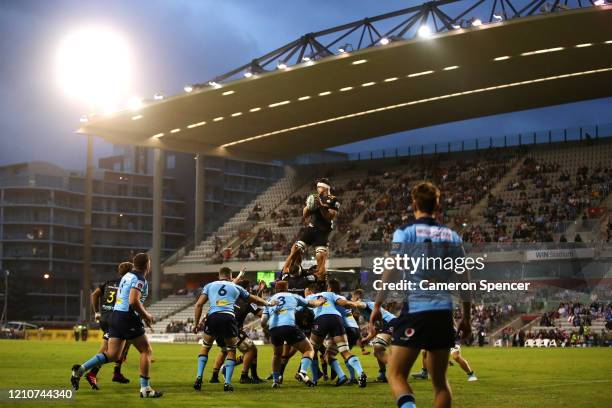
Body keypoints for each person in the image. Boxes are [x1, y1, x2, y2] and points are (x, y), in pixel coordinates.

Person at [369, 181, 472, 408]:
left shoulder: (404, 233)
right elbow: (464, 279)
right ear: (438, 205)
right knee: (441, 384)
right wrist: (466, 316)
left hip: (416, 309)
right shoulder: (452, 236)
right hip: (443, 313)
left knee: (395, 374)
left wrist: (377, 305)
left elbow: (392, 270)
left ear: (414, 203)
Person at [71, 253, 162, 398]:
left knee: (112, 355)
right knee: (146, 351)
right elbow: (133, 301)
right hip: (128, 317)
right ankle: (145, 389)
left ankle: (80, 369)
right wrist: (146, 315)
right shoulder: (139, 278)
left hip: (116, 316)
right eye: (150, 263)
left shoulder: (127, 276)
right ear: (147, 265)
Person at [192, 267, 275, 392]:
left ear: (219, 275)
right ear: (230, 277)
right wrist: (268, 303)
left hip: (213, 317)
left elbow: (198, 304)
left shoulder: (209, 285)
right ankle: (227, 383)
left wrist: (196, 324)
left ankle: (198, 378)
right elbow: (255, 299)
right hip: (228, 318)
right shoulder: (236, 287)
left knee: (206, 347)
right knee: (231, 351)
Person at [261, 280, 325, 388]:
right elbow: (311, 304)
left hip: (274, 328)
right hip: (289, 326)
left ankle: (276, 380)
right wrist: (320, 301)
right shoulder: (293, 296)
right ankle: (303, 372)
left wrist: (269, 330)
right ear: (287, 288)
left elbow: (263, 321)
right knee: (309, 350)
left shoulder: (269, 300)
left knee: (277, 355)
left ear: (276, 289)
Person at [305, 279, 368, 388]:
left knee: (313, 350)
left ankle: (315, 379)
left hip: (337, 324)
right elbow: (345, 306)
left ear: (328, 288)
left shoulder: (316, 297)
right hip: (351, 327)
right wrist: (354, 303)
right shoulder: (338, 297)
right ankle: (357, 374)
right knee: (343, 352)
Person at [84, 261, 133, 389]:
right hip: (116, 319)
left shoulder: (109, 282)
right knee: (107, 348)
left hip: (105, 318)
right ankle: (91, 372)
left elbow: (94, 295)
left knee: (126, 342)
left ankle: (117, 372)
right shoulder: (127, 284)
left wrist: (96, 312)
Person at [282, 178, 340, 279]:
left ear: (325, 188)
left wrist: (321, 206)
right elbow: (305, 215)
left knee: (320, 256)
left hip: (323, 230)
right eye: (317, 187)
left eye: (319, 187)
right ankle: (294, 273)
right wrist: (309, 206)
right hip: (312, 228)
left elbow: (330, 216)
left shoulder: (333, 199)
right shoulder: (314, 197)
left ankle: (320, 280)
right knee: (296, 249)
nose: (317, 188)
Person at [210, 279, 265, 384]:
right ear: (247, 289)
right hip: (232, 329)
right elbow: (260, 313)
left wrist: (259, 293)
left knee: (224, 350)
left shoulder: (230, 297)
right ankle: (244, 376)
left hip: (218, 328)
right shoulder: (247, 301)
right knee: (251, 350)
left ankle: (214, 376)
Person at [353, 289, 397, 383]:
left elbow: (359, 304)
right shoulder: (370, 307)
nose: (351, 299)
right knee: (378, 349)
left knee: (378, 348)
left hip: (390, 323)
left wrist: (345, 303)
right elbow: (377, 329)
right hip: (389, 324)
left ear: (357, 297)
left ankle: (398, 369)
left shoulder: (364, 303)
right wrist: (367, 339)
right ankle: (382, 375)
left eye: (352, 297)